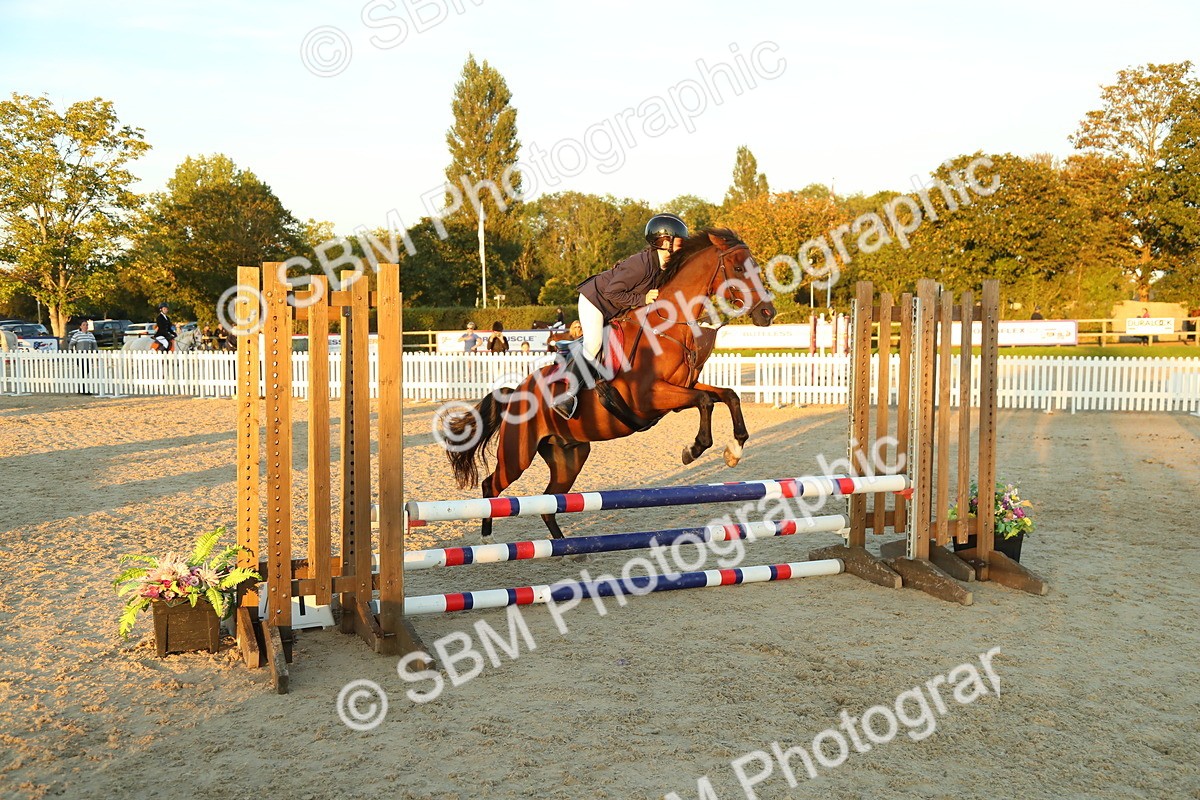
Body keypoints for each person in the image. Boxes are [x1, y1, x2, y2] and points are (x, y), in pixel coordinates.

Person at [551, 213, 689, 418]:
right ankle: (568, 396)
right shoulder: (640, 264)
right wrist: (643, 299)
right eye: (679, 244)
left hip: (615, 308)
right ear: (664, 242)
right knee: (595, 344)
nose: (682, 248)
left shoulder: (662, 268)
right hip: (595, 300)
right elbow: (611, 293)